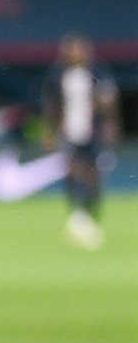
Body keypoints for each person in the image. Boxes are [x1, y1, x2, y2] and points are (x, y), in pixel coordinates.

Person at [42, 34, 120, 250]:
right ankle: (77, 216)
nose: (77, 53)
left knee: (94, 175)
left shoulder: (97, 72)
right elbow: (52, 106)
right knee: (73, 172)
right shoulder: (58, 75)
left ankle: (91, 216)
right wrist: (49, 132)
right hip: (69, 132)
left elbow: (109, 99)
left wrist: (110, 123)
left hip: (93, 132)